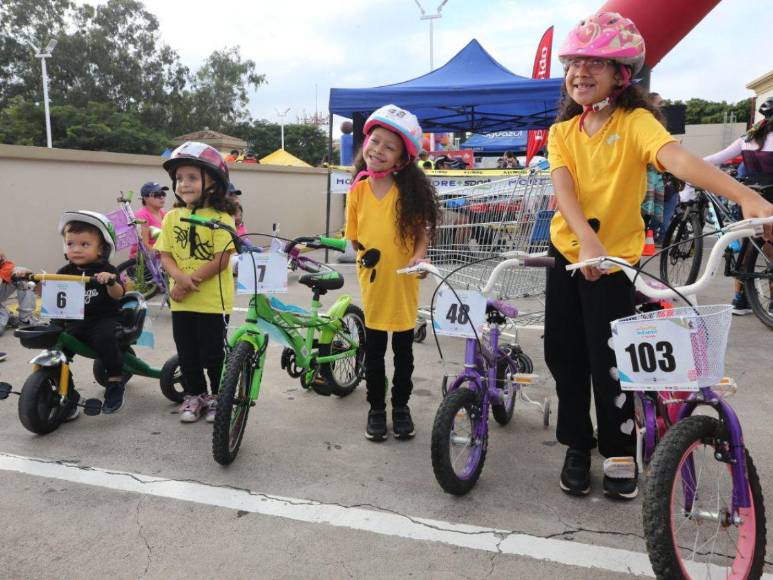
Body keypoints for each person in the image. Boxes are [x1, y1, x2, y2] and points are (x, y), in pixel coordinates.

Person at [545, 12, 773, 500]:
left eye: (595, 64)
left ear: (621, 75)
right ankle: (576, 445)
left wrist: (747, 196)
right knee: (563, 355)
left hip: (617, 261)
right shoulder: (562, 133)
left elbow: (679, 160)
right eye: (574, 64)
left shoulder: (636, 123)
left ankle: (619, 448)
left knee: (612, 358)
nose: (580, 73)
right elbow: (564, 193)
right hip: (569, 251)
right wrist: (585, 238)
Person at [346, 104, 439, 441]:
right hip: (373, 282)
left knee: (403, 353)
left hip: (403, 283)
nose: (378, 151)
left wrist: (418, 258)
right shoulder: (357, 188)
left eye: (389, 147)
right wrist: (366, 257)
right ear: (365, 142)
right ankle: (375, 409)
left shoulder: (407, 192)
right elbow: (354, 236)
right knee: (373, 353)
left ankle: (400, 407)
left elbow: (420, 234)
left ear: (402, 158)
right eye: (375, 141)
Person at [155, 142, 237, 423]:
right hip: (181, 301)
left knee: (213, 354)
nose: (183, 184)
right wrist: (178, 280)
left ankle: (217, 396)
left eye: (192, 177)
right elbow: (164, 255)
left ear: (212, 181)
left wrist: (188, 281)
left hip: (212, 302)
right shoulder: (171, 217)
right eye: (179, 178)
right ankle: (195, 394)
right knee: (187, 352)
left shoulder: (222, 217)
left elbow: (222, 260)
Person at [702, 96, 773, 314]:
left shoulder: (747, 138)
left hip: (748, 198)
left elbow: (710, 160)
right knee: (769, 249)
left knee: (747, 244)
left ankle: (740, 300)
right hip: (769, 200)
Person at [58, 211, 127, 416]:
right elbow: (48, 290)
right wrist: (29, 278)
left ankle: (114, 381)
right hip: (75, 321)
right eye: (71, 244)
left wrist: (111, 281)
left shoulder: (106, 268)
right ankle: (67, 391)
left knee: (106, 338)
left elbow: (118, 294)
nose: (76, 249)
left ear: (102, 249)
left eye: (84, 244)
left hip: (103, 319)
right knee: (56, 345)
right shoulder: (65, 271)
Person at [0, 250, 36, 336]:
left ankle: (25, 318)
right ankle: (7, 316)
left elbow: (28, 272)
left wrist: (26, 274)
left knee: (21, 275)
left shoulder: (6, 265)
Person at [130, 182, 167, 259]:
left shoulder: (164, 213)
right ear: (145, 198)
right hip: (143, 262)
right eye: (157, 194)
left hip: (158, 260)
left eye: (163, 193)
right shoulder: (142, 216)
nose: (161, 197)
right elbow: (145, 245)